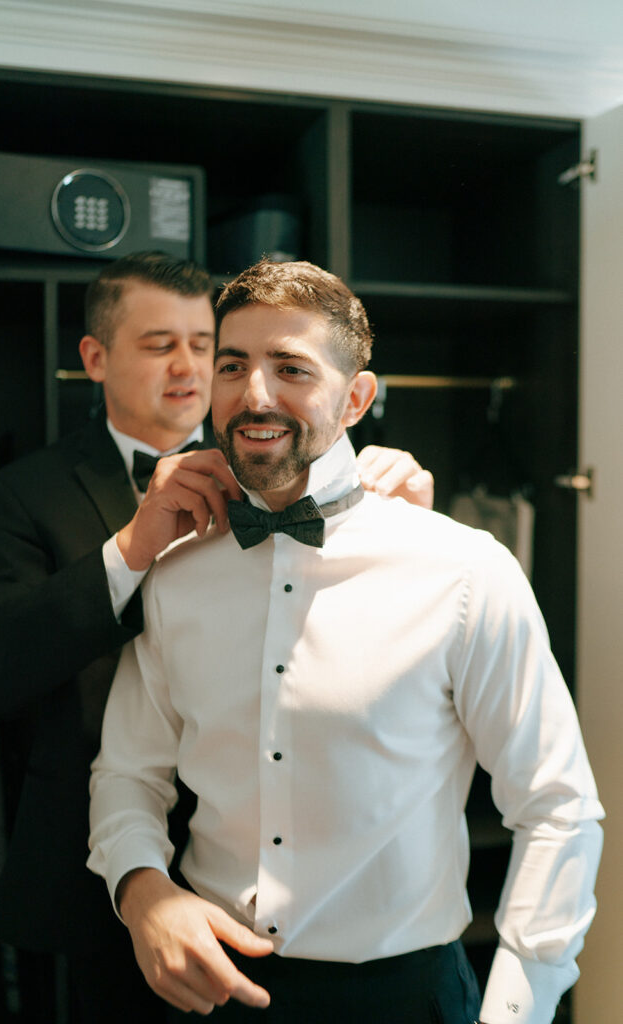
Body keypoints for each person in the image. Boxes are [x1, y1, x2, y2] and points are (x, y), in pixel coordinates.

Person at [88, 258, 604, 1024]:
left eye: (290, 367)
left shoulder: (463, 571)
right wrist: (141, 892)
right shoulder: (174, 571)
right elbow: (127, 771)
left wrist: (516, 1009)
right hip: (207, 990)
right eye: (233, 365)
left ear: (356, 396)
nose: (254, 394)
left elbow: (558, 807)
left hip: (403, 997)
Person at [0, 251, 434, 1023]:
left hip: (277, 894)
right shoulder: (25, 492)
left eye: (205, 346)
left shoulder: (315, 469)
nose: (188, 367)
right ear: (94, 357)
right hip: (97, 885)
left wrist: (386, 530)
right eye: (157, 345)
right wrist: (131, 550)